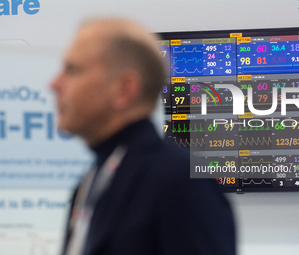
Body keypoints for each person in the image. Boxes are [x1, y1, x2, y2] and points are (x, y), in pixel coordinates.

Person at [51, 18, 235, 255]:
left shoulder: (180, 181)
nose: (54, 84)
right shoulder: (93, 180)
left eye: (73, 70)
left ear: (124, 89)